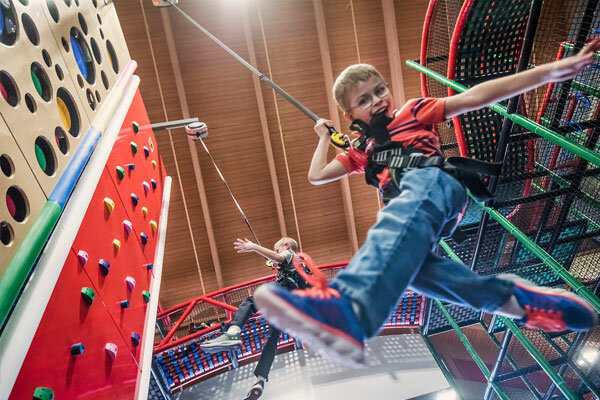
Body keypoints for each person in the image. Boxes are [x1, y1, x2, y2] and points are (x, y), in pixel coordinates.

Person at [254, 38, 600, 368]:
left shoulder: (413, 111)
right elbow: (316, 176)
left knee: (390, 227)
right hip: (412, 207)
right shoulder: (362, 152)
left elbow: (476, 97)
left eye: (380, 90)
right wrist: (321, 139)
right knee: (418, 274)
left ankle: (351, 307)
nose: (377, 100)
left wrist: (553, 71)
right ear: (349, 115)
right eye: (364, 100)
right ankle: (520, 302)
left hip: (433, 183)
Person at [200, 237, 309, 400]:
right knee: (271, 339)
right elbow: (279, 262)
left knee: (250, 302)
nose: (278, 252)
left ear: (286, 246)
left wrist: (253, 247)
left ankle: (233, 332)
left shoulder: (290, 253)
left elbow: (279, 257)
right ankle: (260, 380)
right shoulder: (299, 265)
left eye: (277, 248)